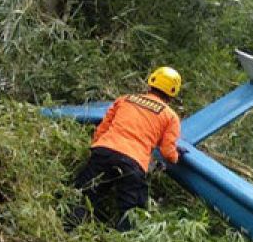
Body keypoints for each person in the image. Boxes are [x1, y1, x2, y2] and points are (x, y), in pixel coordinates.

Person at [66, 66, 183, 231]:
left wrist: (96, 152)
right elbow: (167, 152)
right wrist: (178, 156)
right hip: (133, 163)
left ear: (151, 83)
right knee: (131, 213)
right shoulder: (170, 117)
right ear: (173, 93)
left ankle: (67, 230)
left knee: (84, 197)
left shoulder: (125, 99)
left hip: (104, 151)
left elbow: (101, 130)